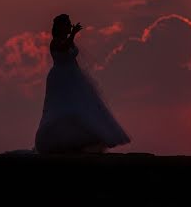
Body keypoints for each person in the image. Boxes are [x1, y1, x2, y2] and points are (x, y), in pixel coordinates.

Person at [34, 14, 131, 154]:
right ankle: (59, 139)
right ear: (60, 26)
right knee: (60, 107)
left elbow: (72, 56)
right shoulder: (55, 42)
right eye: (67, 24)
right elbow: (63, 48)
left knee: (83, 106)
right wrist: (72, 35)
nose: (69, 26)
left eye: (69, 23)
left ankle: (80, 139)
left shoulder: (68, 40)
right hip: (60, 78)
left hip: (73, 77)